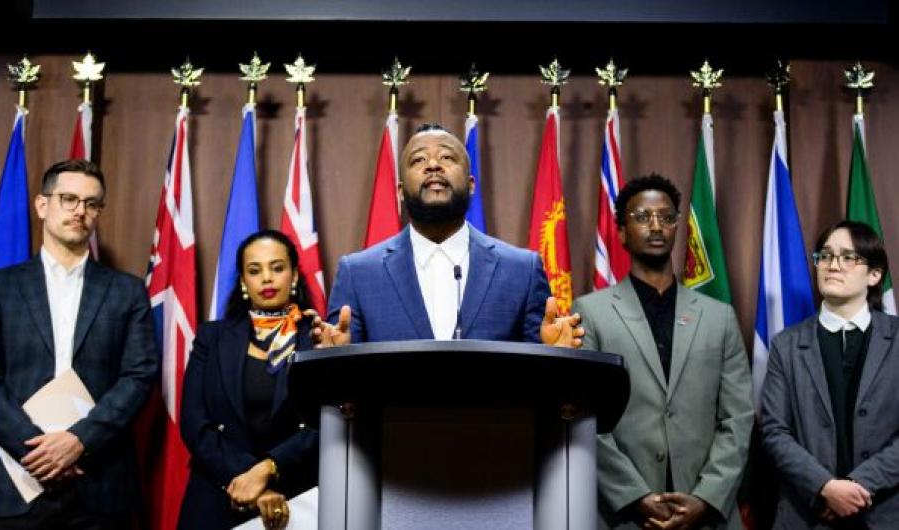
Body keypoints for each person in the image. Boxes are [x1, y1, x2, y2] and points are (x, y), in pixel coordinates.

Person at [572, 174, 753, 530]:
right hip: (625, 515)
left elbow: (738, 418)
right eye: (642, 217)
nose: (656, 226)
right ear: (621, 232)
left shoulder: (719, 317)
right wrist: (635, 497)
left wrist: (706, 498)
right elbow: (585, 415)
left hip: (706, 514)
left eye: (666, 217)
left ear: (676, 228)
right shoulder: (590, 312)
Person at [312, 123, 582, 348]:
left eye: (447, 158)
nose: (433, 165)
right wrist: (333, 360)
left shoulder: (521, 270)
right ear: (400, 192)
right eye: (418, 159)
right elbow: (343, 377)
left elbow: (540, 374)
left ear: (471, 185)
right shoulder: (359, 274)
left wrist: (557, 356)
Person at [0, 160, 158, 528]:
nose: (79, 211)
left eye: (91, 203)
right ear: (42, 205)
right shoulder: (2, 288)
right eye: (68, 199)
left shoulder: (127, 291)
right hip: (17, 481)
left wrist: (78, 441)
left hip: (100, 481)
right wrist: (36, 449)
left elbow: (138, 376)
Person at [760, 220, 899, 529]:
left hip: (885, 513)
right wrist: (824, 487)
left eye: (848, 257)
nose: (832, 265)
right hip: (806, 514)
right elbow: (773, 430)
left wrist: (858, 485)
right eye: (825, 256)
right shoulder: (786, 345)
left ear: (874, 275)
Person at [178, 230, 318, 530]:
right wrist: (249, 481)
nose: (266, 278)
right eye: (255, 271)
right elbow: (194, 422)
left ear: (294, 275)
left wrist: (269, 468)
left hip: (296, 499)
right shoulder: (212, 338)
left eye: (277, 268)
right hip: (217, 495)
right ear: (243, 282)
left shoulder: (319, 338)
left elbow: (324, 425)